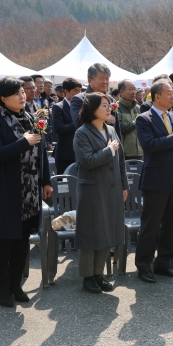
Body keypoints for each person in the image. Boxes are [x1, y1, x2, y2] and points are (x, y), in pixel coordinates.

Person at [0, 76, 52, 308]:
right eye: (17, 93)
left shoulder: (31, 118)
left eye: (23, 92)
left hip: (30, 191)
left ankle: (16, 284)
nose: (23, 96)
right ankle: (0, 289)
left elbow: (41, 150)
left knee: (22, 240)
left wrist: (46, 180)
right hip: (7, 189)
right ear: (3, 98)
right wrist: (23, 142)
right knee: (4, 241)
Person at [134, 79, 173, 283]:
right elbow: (148, 145)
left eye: (172, 92)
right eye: (168, 92)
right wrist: (170, 138)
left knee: (171, 224)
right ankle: (144, 265)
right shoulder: (144, 119)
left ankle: (164, 262)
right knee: (151, 224)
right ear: (157, 96)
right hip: (156, 178)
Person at [73, 92, 127, 293]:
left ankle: (98, 274)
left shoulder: (111, 129)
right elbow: (87, 160)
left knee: (106, 230)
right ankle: (87, 276)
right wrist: (108, 150)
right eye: (104, 105)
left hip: (112, 188)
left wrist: (124, 186)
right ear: (92, 109)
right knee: (90, 233)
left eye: (109, 105)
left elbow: (120, 161)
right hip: (92, 189)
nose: (109, 108)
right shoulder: (82, 133)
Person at [70, 64, 121, 139]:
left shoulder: (110, 100)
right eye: (101, 78)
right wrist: (104, 120)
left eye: (107, 79)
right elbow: (79, 124)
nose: (105, 82)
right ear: (89, 80)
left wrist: (119, 148)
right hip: (90, 145)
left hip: (112, 146)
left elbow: (117, 129)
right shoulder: (79, 99)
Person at [52, 78, 81, 174]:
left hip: (82, 152)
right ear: (66, 91)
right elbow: (59, 128)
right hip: (65, 154)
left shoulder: (83, 107)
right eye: (75, 91)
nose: (78, 94)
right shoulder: (58, 107)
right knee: (64, 185)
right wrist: (79, 122)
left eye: (80, 91)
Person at [117, 79, 143, 160]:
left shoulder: (138, 108)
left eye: (134, 89)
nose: (133, 92)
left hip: (140, 152)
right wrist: (136, 122)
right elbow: (119, 127)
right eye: (130, 89)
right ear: (121, 92)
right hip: (124, 154)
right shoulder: (116, 108)